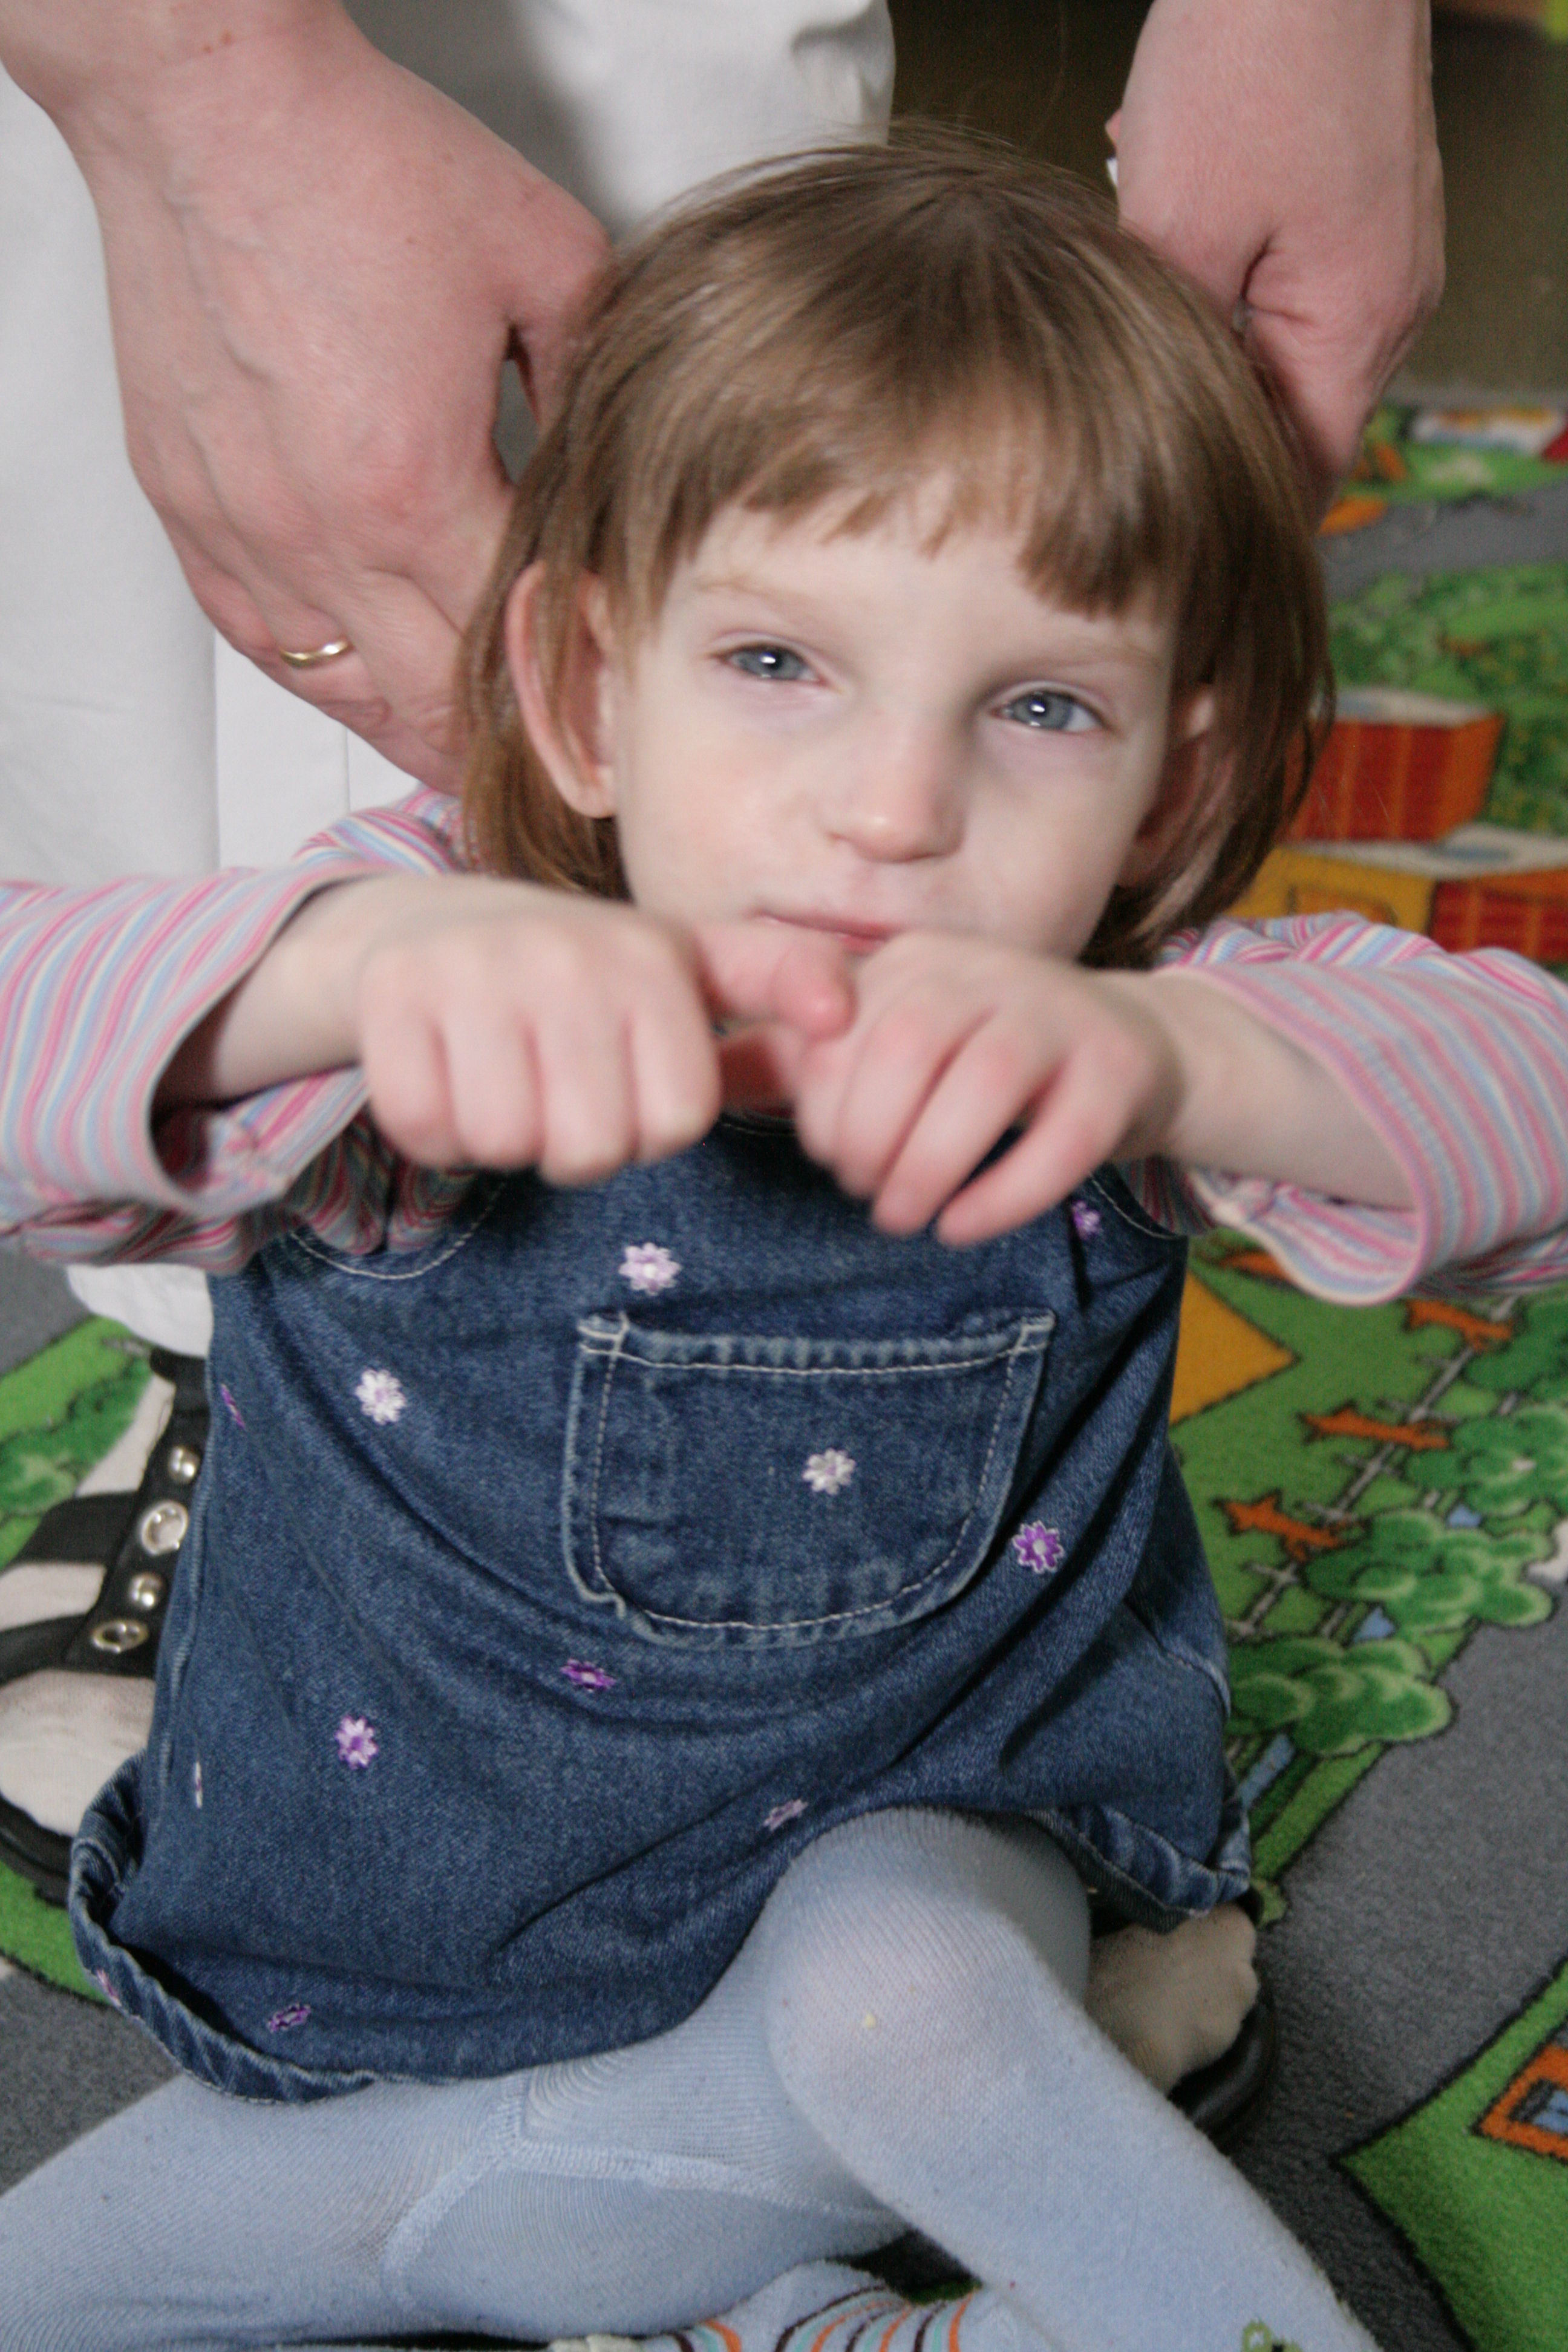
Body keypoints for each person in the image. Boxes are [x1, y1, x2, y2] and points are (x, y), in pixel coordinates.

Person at [0, 139, 1563, 2352]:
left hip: (906, 1903)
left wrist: (1196, 1063)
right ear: (579, 692)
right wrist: (319, 976)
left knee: (897, 1991)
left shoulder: (1124, 1033)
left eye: (1041, 708)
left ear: (1171, 788)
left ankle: (918, 2123)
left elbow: (1531, 1113)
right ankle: (817, 2267)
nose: (894, 808)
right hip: (373, 2000)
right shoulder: (403, 992)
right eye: (773, 660)